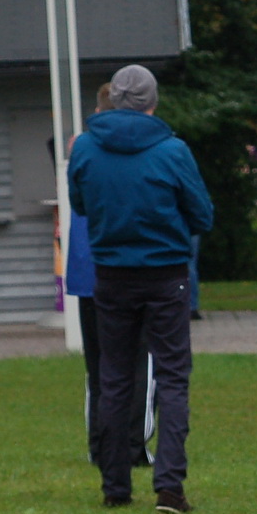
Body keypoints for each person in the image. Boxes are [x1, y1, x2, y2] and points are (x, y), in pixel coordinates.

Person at [67, 64, 214, 514]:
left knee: (113, 377)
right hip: (166, 274)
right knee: (170, 376)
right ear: (152, 101)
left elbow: (79, 204)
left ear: (112, 99)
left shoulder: (86, 147)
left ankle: (115, 485)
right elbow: (202, 215)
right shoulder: (172, 150)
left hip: (110, 273)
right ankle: (169, 485)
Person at [67, 84, 151, 471]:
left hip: (86, 270)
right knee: (135, 364)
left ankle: (101, 446)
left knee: (98, 368)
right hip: (121, 267)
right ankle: (132, 445)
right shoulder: (127, 152)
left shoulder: (80, 149)